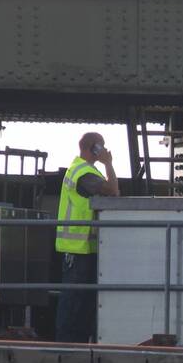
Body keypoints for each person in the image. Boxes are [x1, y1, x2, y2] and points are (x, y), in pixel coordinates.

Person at [55, 132, 119, 342]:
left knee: (83, 304)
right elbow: (113, 190)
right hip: (77, 250)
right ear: (94, 148)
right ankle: (66, 347)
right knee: (74, 304)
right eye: (102, 146)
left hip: (84, 249)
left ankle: (76, 345)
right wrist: (108, 163)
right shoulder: (83, 173)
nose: (105, 150)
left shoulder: (85, 170)